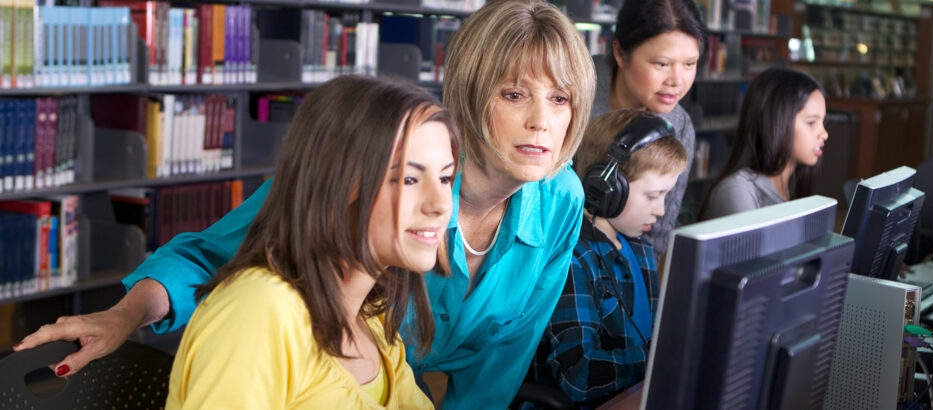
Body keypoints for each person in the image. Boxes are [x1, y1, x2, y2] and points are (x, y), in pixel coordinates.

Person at [15, 1, 596, 408]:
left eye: (560, 98)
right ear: (470, 95)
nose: (542, 122)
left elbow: (498, 369)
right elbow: (213, 260)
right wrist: (122, 316)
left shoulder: (560, 199)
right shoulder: (368, 167)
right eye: (514, 94)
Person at [166, 75, 456, 408]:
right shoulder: (259, 310)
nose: (441, 204)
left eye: (445, 177)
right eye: (409, 179)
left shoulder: (371, 321)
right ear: (338, 185)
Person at [526, 110, 687, 407]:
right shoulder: (572, 261)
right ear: (606, 188)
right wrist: (664, 357)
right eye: (652, 196)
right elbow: (579, 374)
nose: (662, 210)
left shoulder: (640, 251)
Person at [591, 0, 706, 261]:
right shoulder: (572, 92)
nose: (677, 81)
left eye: (689, 64)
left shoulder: (679, 126)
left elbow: (656, 238)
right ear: (620, 53)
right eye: (662, 64)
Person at [699, 68, 828, 221]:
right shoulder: (737, 190)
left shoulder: (790, 184)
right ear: (777, 122)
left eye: (823, 122)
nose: (824, 134)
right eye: (812, 122)